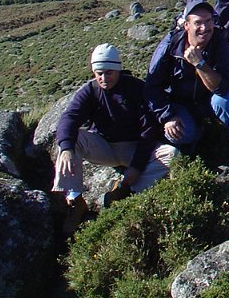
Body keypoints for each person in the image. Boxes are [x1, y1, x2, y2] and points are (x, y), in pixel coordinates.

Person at [53, 44, 176, 232]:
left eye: (109, 73)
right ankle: (76, 200)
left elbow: (149, 130)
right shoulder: (91, 90)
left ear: (118, 69)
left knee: (171, 154)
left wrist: (136, 167)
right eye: (99, 73)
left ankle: (126, 189)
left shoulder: (135, 88)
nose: (104, 78)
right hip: (104, 146)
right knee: (69, 141)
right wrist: (67, 148)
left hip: (132, 147)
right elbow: (69, 117)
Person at [145, 0, 229, 166]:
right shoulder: (170, 47)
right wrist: (168, 116)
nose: (204, 28)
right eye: (198, 23)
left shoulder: (220, 44)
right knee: (175, 134)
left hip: (210, 99)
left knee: (225, 101)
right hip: (180, 102)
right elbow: (152, 87)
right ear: (186, 25)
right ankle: (198, 133)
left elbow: (223, 87)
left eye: (208, 21)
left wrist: (199, 64)